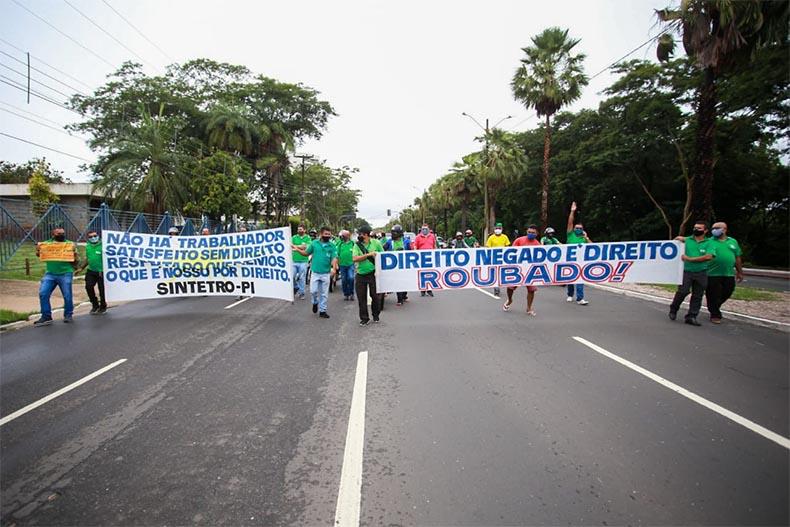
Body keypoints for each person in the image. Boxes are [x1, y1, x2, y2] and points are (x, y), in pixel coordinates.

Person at [669, 221, 717, 326]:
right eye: (695, 227)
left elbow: (709, 256)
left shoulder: (709, 243)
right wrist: (676, 240)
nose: (696, 230)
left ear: (705, 231)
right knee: (683, 291)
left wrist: (690, 259)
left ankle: (692, 316)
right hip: (686, 271)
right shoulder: (686, 240)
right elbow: (672, 246)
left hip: (701, 272)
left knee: (698, 295)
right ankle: (674, 308)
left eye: (699, 228)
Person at [34, 227, 78, 326]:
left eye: (63, 233)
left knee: (67, 295)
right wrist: (38, 250)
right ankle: (46, 316)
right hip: (50, 273)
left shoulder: (69, 244)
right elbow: (40, 255)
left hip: (66, 273)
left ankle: (68, 315)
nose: (62, 235)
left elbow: (75, 261)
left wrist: (74, 254)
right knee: (43, 293)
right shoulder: (47, 244)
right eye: (59, 234)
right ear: (53, 235)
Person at [292, 226, 338, 319]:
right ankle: (315, 302)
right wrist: (298, 250)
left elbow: (334, 258)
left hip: (325, 273)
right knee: (313, 291)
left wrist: (334, 268)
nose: (327, 236)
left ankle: (323, 310)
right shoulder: (314, 243)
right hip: (315, 273)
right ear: (321, 234)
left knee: (324, 294)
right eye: (326, 234)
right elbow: (306, 253)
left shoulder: (332, 246)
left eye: (329, 234)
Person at [704, 222, 743, 324]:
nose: (714, 230)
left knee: (728, 291)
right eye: (713, 228)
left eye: (717, 228)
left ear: (725, 229)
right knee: (712, 294)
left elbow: (737, 257)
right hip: (712, 273)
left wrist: (740, 272)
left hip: (729, 273)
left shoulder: (733, 241)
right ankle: (715, 314)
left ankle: (713, 306)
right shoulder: (709, 241)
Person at [503, 225, 541, 316]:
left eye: (533, 233)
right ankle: (510, 300)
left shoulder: (537, 244)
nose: (530, 234)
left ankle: (529, 308)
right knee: (510, 287)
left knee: (531, 290)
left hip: (530, 270)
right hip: (517, 269)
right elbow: (512, 253)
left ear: (537, 234)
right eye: (529, 232)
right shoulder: (519, 240)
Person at [352, 225, 384, 325]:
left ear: (366, 234)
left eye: (360, 234)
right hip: (360, 274)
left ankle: (376, 315)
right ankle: (364, 318)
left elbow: (383, 256)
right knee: (361, 298)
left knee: (375, 296)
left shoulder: (376, 243)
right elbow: (355, 258)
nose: (359, 236)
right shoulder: (357, 245)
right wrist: (368, 255)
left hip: (373, 274)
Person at [566, 202, 592, 305]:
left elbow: (594, 247)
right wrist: (572, 211)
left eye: (580, 228)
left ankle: (580, 298)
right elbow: (570, 222)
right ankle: (570, 294)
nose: (578, 229)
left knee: (580, 279)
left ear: (583, 230)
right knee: (571, 279)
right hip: (570, 260)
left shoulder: (584, 238)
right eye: (576, 228)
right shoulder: (570, 234)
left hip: (581, 261)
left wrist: (586, 238)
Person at [78, 230, 107, 315]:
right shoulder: (88, 246)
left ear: (98, 236)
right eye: (90, 237)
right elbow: (88, 259)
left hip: (102, 272)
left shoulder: (104, 245)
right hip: (91, 271)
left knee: (102, 290)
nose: (93, 238)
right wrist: (81, 268)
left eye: (95, 236)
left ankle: (103, 306)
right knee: (88, 287)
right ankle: (95, 305)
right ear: (88, 238)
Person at [383, 224, 412, 306]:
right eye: (392, 233)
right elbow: (382, 250)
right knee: (397, 282)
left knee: (405, 282)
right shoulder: (389, 242)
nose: (393, 235)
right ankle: (400, 299)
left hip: (405, 265)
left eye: (394, 233)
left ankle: (404, 296)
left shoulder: (406, 241)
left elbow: (412, 252)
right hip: (394, 266)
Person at [485, 222, 510, 297]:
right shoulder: (491, 237)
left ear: (502, 229)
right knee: (495, 273)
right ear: (494, 229)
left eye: (499, 228)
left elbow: (508, 247)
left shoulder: (505, 237)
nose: (498, 230)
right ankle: (496, 288)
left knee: (501, 273)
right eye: (496, 228)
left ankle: (499, 285)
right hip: (494, 258)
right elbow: (488, 248)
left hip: (503, 258)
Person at [413, 223, 437, 297]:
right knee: (422, 274)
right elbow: (415, 246)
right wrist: (415, 253)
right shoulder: (418, 237)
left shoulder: (432, 236)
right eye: (423, 229)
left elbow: (434, 246)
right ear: (421, 229)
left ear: (428, 229)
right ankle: (423, 290)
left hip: (430, 258)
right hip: (421, 258)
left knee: (430, 273)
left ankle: (429, 289)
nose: (424, 230)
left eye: (426, 229)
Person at [291, 225, 311, 299]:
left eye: (301, 229)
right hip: (294, 261)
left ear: (304, 230)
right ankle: (296, 287)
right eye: (298, 229)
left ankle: (302, 293)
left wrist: (295, 246)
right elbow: (290, 245)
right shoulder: (293, 237)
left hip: (303, 261)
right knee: (291, 276)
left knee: (301, 277)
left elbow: (305, 247)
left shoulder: (308, 238)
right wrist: (300, 246)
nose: (299, 230)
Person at [336, 229, 356, 301]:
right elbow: (337, 254)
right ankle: (346, 294)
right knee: (344, 280)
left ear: (348, 236)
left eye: (343, 235)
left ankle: (351, 293)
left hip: (351, 264)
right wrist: (337, 264)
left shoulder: (353, 243)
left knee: (351, 278)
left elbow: (356, 253)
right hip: (342, 265)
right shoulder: (340, 244)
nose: (342, 237)